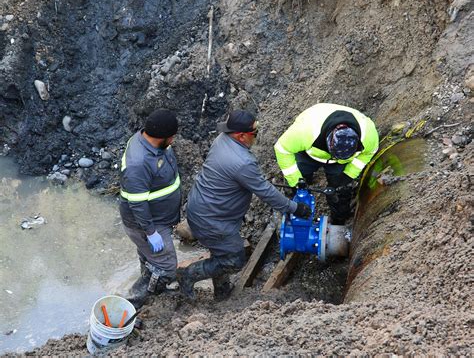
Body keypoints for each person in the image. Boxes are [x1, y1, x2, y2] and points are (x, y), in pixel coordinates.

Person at [177, 110, 311, 301]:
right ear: (241, 136)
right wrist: (294, 208)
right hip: (212, 220)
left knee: (222, 252)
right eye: (254, 134)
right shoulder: (242, 162)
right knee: (234, 260)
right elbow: (265, 191)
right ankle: (188, 274)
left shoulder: (221, 140)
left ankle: (222, 292)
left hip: (203, 208)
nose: (256, 137)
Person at [274, 103, 379, 225]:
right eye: (334, 156)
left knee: (340, 191)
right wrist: (296, 182)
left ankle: (339, 221)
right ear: (329, 141)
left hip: (340, 161)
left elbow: (368, 154)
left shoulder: (369, 136)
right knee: (299, 183)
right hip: (309, 153)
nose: (334, 159)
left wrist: (348, 175)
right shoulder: (305, 131)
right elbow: (282, 149)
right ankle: (299, 208)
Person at [119, 109, 181, 308]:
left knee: (149, 257)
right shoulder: (139, 163)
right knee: (167, 267)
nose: (173, 141)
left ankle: (150, 282)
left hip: (158, 217)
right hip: (147, 223)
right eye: (171, 137)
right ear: (161, 137)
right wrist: (150, 232)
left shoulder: (151, 142)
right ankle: (134, 302)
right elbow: (137, 203)